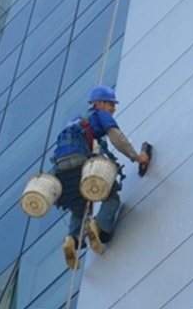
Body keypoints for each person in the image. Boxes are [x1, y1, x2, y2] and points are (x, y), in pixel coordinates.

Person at [52, 85, 149, 269]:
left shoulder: (75, 121)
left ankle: (71, 240)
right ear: (100, 103)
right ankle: (98, 226)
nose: (114, 109)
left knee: (80, 206)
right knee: (111, 194)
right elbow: (117, 138)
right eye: (111, 104)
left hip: (61, 169)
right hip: (81, 161)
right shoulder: (99, 115)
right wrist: (136, 157)